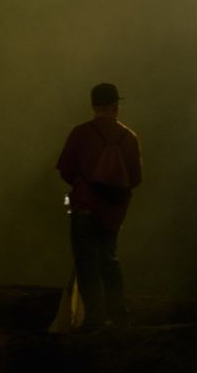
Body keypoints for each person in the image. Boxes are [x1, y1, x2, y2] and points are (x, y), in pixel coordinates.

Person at [56, 82, 143, 331]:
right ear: (116, 106)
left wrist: (86, 185)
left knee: (87, 264)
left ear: (94, 106)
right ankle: (120, 316)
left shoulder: (81, 133)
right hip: (113, 212)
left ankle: (94, 318)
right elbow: (136, 178)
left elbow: (65, 169)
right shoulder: (129, 137)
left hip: (84, 207)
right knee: (110, 262)